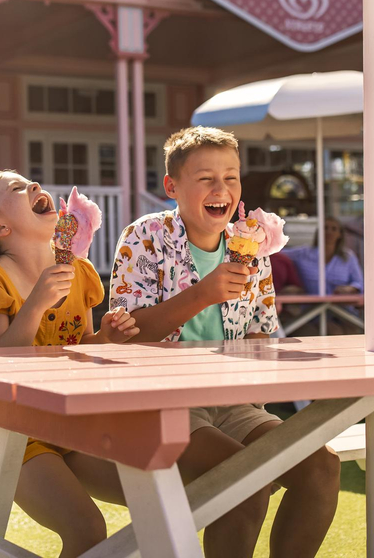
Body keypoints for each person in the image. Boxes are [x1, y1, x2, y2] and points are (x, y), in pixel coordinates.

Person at [109, 127, 341, 558]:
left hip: (234, 403)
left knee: (321, 466)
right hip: (164, 400)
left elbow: (260, 333)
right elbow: (126, 338)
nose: (222, 189)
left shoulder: (251, 245)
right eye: (206, 178)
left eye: (231, 177)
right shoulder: (143, 239)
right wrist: (203, 293)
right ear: (172, 187)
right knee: (245, 477)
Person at [0, 171, 140, 558]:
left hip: (67, 423)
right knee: (87, 527)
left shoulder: (80, 273)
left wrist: (106, 337)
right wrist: (36, 304)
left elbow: (81, 346)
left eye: (32, 183)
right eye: (18, 189)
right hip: (8, 432)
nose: (35, 187)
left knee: (158, 496)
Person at [285, 217, 364, 295]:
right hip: (310, 306)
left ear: (340, 234)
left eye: (334, 229)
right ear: (318, 232)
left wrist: (349, 289)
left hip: (342, 306)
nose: (329, 232)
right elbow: (276, 254)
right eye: (325, 228)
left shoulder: (348, 257)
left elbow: (359, 283)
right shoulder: (303, 253)